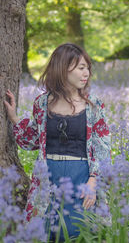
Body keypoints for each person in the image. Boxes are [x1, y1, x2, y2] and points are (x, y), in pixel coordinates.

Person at [4, 43, 111, 241]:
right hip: (47, 177)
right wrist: (15, 119)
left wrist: (93, 182)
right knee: (45, 230)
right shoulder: (42, 103)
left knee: (76, 231)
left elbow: (102, 146)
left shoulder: (94, 104)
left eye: (87, 67)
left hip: (81, 178)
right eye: (80, 68)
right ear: (63, 69)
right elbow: (33, 140)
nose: (86, 73)